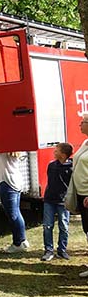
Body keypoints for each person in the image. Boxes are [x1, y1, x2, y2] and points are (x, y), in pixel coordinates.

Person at [41, 142, 73, 261]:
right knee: (47, 225)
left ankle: (62, 250)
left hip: (63, 201)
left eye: (57, 151)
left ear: (63, 155)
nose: (54, 152)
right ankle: (48, 250)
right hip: (49, 200)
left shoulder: (70, 168)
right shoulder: (52, 166)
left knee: (64, 226)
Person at [0, 152, 29, 253]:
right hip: (15, 181)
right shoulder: (13, 150)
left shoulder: (4, 150)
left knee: (13, 214)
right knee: (16, 213)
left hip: (7, 182)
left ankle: (18, 242)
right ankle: (22, 240)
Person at [72, 113, 88, 277]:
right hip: (81, 192)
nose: (80, 125)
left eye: (82, 122)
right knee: (87, 230)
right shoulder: (85, 142)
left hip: (87, 195)